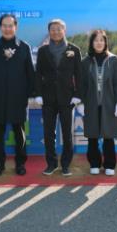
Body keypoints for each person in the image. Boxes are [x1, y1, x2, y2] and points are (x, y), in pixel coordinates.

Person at [0, 13, 35, 176]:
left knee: (19, 133)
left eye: (10, 26)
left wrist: (30, 95)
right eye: (4, 26)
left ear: (15, 27)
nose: (7, 29)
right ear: (0, 28)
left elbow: (30, 74)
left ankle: (20, 164)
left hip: (18, 98)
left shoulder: (24, 47)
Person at [34, 19, 82, 177]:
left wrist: (77, 95)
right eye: (53, 29)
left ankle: (66, 164)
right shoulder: (43, 51)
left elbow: (79, 75)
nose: (56, 32)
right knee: (48, 133)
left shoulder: (74, 50)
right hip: (47, 98)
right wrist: (38, 94)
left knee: (67, 133)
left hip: (67, 98)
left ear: (64, 31)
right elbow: (38, 74)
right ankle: (51, 163)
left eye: (59, 29)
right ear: (49, 32)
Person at [77, 29, 117, 176]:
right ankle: (94, 163)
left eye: (101, 40)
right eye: (96, 40)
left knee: (108, 136)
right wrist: (81, 102)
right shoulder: (85, 62)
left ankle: (109, 164)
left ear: (105, 42)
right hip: (91, 103)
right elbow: (81, 84)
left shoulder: (114, 60)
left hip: (109, 104)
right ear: (91, 43)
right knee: (92, 136)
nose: (99, 43)